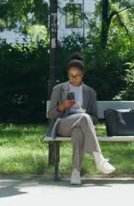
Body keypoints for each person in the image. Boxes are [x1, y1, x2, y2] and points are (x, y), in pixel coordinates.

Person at [47, 52, 115, 185]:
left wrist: (83, 116)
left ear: (82, 75)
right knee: (83, 118)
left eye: (77, 76)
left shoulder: (90, 92)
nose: (73, 78)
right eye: (71, 75)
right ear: (67, 74)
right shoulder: (58, 89)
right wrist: (62, 106)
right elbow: (50, 115)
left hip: (81, 125)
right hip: (62, 125)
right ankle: (98, 158)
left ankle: (75, 173)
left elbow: (94, 118)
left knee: (78, 131)